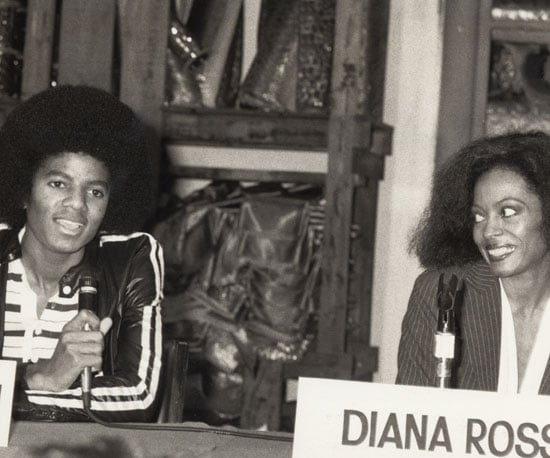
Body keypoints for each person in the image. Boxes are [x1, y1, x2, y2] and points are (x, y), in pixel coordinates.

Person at [0, 85, 164, 421]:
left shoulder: (131, 259)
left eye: (96, 191)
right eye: (58, 184)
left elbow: (139, 398)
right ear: (23, 191)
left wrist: (19, 394)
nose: (77, 204)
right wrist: (41, 377)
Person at [396, 131, 550, 394]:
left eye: (508, 212)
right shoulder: (443, 293)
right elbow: (411, 415)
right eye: (478, 216)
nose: (488, 231)